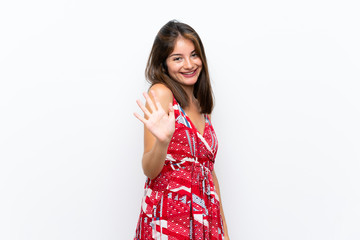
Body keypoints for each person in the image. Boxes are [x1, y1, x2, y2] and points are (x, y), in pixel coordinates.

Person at [133, 20, 229, 240]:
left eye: (194, 55)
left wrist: (223, 230)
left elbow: (209, 174)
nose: (189, 64)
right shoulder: (162, 94)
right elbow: (149, 170)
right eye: (178, 58)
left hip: (205, 218)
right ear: (163, 64)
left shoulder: (202, 106)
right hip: (169, 218)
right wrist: (163, 142)